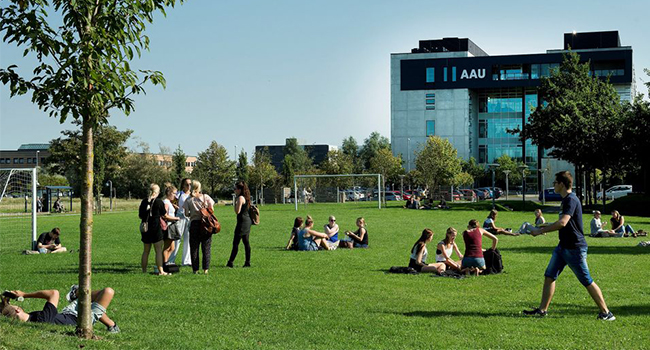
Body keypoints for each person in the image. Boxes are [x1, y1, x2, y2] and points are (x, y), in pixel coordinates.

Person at [526, 171, 615, 320]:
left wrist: (539, 232)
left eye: (555, 182)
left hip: (574, 248)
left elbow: (563, 223)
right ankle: (542, 310)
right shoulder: (566, 200)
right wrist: (545, 226)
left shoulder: (570, 200)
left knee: (586, 280)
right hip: (563, 247)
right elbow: (565, 223)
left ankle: (606, 313)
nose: (553, 185)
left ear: (561, 184)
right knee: (549, 276)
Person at [1, 285, 120, 333]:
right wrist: (24, 294)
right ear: (18, 310)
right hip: (82, 320)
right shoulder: (42, 319)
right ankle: (112, 325)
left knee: (93, 299)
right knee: (107, 292)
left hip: (68, 313)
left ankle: (112, 326)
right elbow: (54, 293)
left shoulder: (32, 319)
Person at [183, 180, 215, 274]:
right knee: (206, 247)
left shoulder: (188, 200)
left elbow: (186, 213)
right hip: (205, 224)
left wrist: (193, 214)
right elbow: (212, 210)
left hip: (194, 224)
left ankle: (195, 269)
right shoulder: (206, 197)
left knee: (194, 248)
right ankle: (205, 269)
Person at [138, 183, 168, 276]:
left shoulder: (144, 201)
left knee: (146, 251)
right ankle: (161, 270)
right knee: (158, 250)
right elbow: (164, 214)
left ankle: (144, 270)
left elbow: (140, 215)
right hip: (156, 227)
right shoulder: (159, 202)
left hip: (145, 228)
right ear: (157, 192)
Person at [227, 181, 253, 268]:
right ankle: (247, 262)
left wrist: (235, 203)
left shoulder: (240, 198)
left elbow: (237, 211)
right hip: (247, 221)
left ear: (239, 189)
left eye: (235, 189)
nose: (234, 191)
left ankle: (230, 262)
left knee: (236, 243)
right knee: (246, 242)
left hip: (242, 222)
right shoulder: (247, 197)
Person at [168, 178, 192, 266]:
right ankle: (171, 260)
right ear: (183, 185)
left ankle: (186, 261)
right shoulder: (179, 194)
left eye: (190, 184)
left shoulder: (192, 195)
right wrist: (177, 208)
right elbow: (171, 202)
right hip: (179, 218)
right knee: (177, 240)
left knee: (188, 240)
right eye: (187, 184)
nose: (189, 186)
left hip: (189, 219)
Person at [161, 185, 181, 265]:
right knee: (166, 248)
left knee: (172, 248)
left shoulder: (168, 202)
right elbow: (164, 215)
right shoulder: (166, 202)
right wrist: (176, 218)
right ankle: (163, 264)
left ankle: (165, 262)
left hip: (172, 226)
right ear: (169, 193)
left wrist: (174, 207)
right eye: (174, 193)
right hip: (169, 226)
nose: (175, 196)